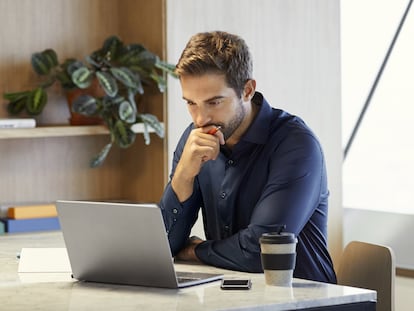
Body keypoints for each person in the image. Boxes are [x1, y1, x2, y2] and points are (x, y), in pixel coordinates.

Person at [159, 31, 337, 283]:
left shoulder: (296, 145)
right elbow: (164, 245)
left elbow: (261, 252)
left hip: (304, 300)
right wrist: (183, 177)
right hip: (233, 295)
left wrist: (196, 250)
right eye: (191, 103)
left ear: (247, 90)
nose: (200, 119)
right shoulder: (195, 141)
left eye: (214, 102)